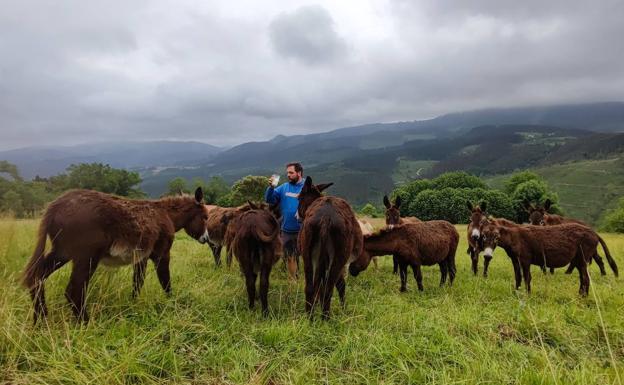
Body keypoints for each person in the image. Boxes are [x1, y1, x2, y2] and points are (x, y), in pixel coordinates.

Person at [265, 162, 304, 279]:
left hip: (304, 229)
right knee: (290, 256)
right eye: (287, 173)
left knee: (306, 256)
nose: (288, 175)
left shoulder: (307, 187)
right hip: (287, 229)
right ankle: (293, 280)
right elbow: (269, 199)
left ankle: (308, 280)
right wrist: (271, 188)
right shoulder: (284, 187)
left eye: (291, 173)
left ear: (299, 173)